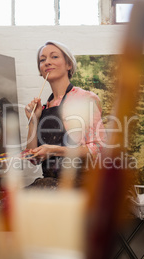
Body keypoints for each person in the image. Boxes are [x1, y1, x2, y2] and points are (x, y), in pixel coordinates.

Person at [25, 40, 106, 188]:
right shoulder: (43, 108)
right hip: (51, 185)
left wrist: (55, 150)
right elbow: (33, 159)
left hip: (82, 185)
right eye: (42, 60)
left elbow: (99, 148)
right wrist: (33, 120)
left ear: (69, 65)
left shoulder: (85, 98)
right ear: (40, 70)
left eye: (54, 57)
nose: (47, 62)